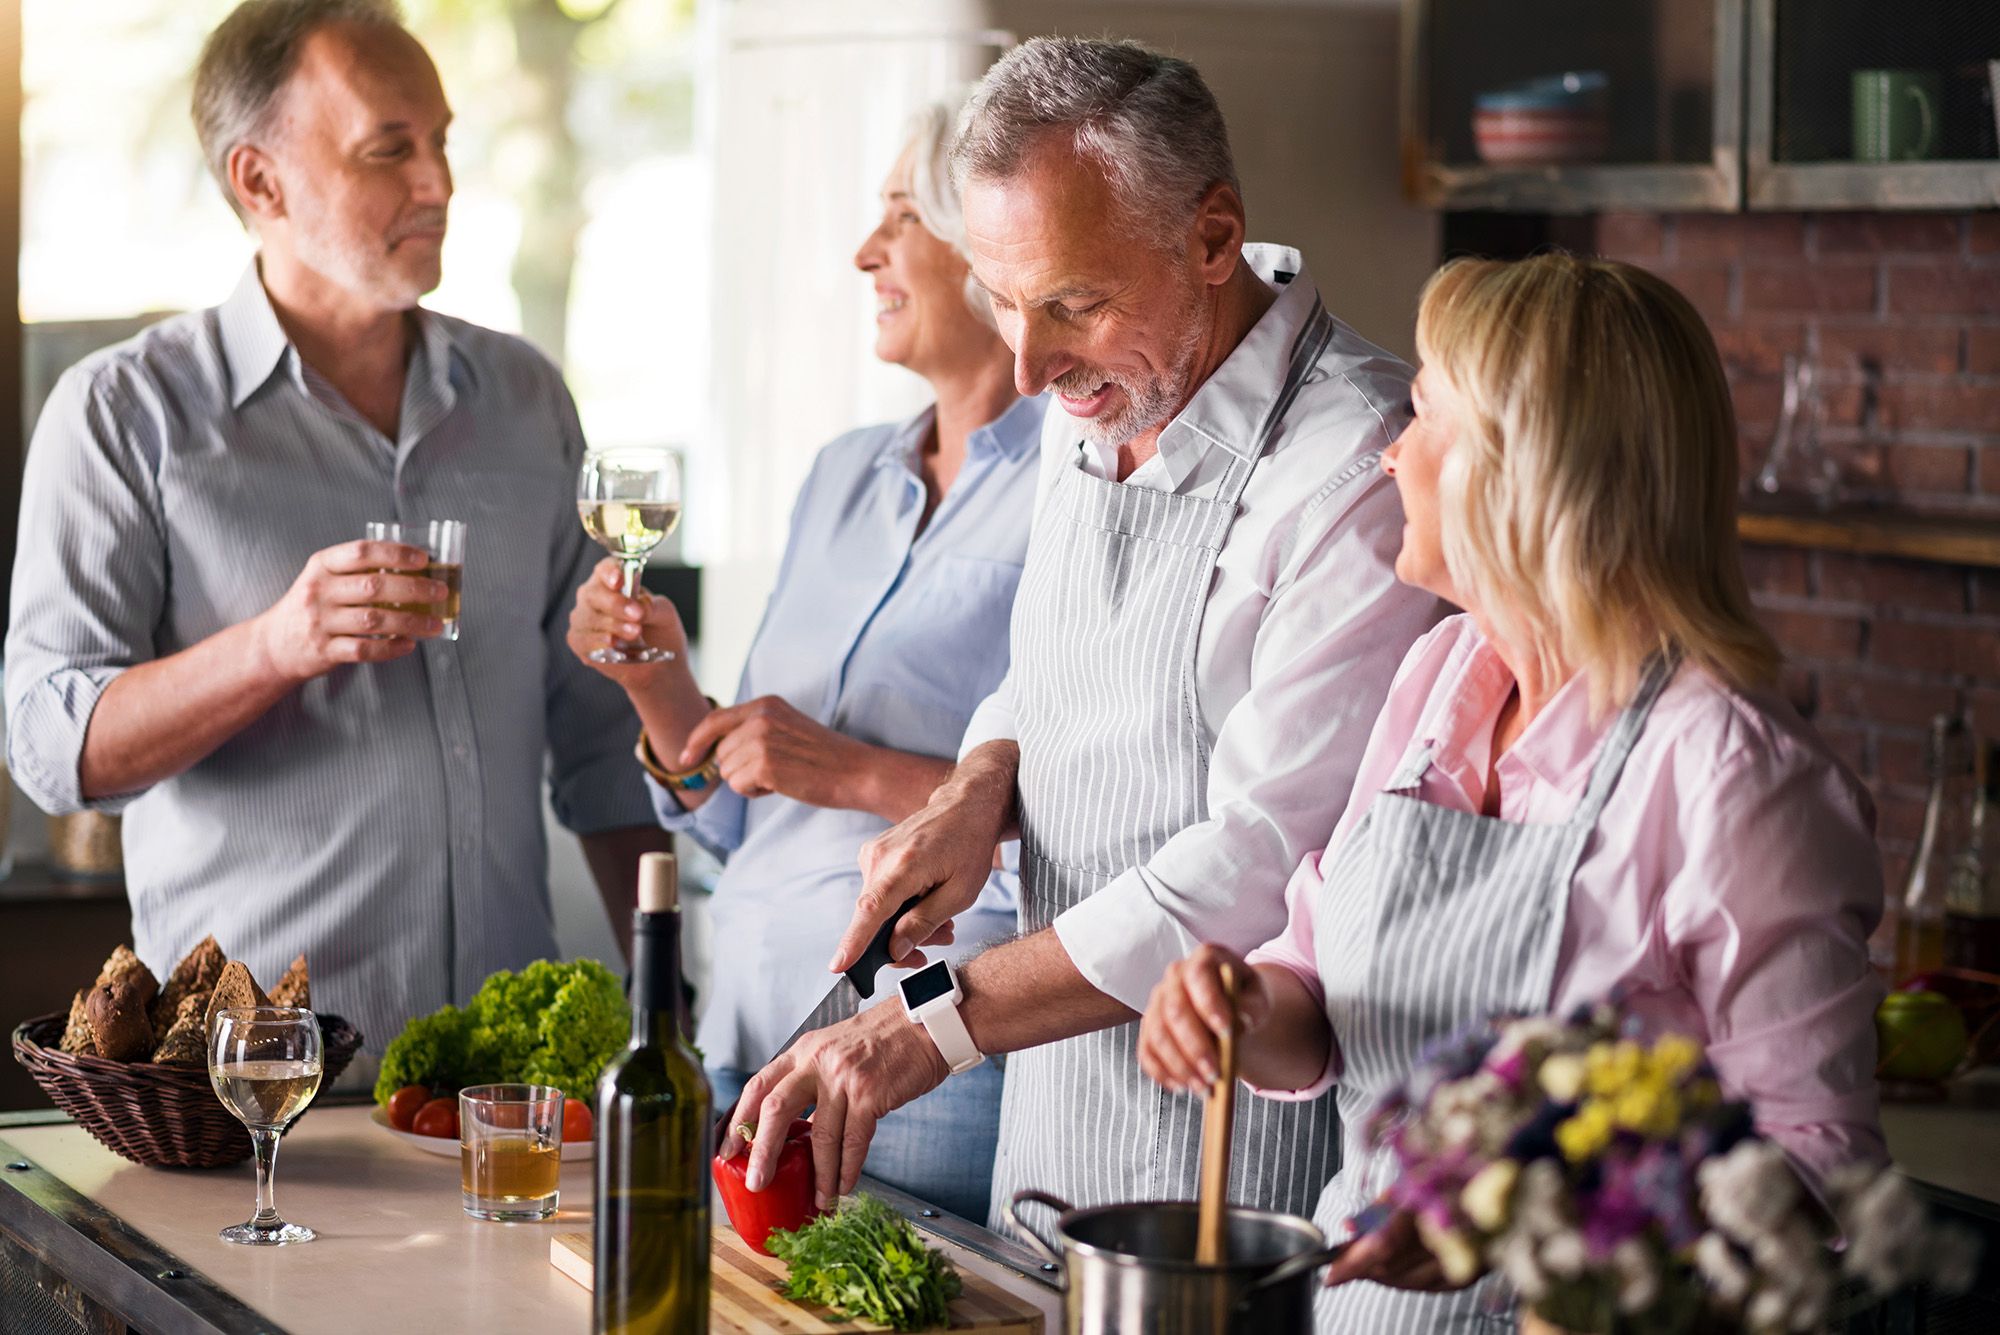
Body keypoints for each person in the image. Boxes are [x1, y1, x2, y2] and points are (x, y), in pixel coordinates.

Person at [719, 37, 1444, 1230]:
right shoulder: (1099, 390)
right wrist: (979, 781)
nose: (1026, 362)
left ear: (1212, 239)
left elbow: (1257, 858)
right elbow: (1048, 669)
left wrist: (932, 1017)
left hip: (1232, 1165)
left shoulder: (1357, 470)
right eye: (1002, 301)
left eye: (1072, 304)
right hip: (1050, 1129)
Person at [1137, 254, 1886, 1332]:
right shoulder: (1439, 676)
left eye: (1421, 415)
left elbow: (1816, 1170)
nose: (1389, 452)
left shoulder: (1735, 777)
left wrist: (1524, 1225)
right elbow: (1318, 987)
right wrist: (1236, 1010)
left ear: (1522, 468)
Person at [4, 0, 665, 1062]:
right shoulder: (124, 414)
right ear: (258, 181)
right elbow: (50, 745)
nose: (439, 184)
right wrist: (275, 647)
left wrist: (665, 1003)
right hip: (256, 1095)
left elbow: (597, 746)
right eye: (389, 149)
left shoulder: (524, 398)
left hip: (502, 1088)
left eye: (441, 141)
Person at [564, 101, 1043, 1220]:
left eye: (899, 216)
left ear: (987, 249)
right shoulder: (839, 475)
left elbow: (1086, 814)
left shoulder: (1073, 485)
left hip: (918, 1066)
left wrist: (847, 769)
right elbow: (737, 808)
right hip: (741, 1035)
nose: (864, 252)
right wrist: (661, 691)